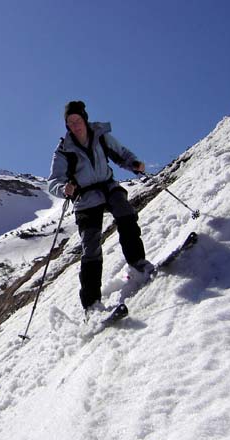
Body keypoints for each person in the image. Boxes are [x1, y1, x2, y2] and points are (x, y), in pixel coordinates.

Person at [48, 100, 153, 316]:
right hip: (85, 198)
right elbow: (53, 181)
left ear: (84, 119)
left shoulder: (100, 135)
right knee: (91, 245)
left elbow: (120, 153)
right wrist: (63, 188)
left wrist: (134, 163)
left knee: (125, 213)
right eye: (70, 122)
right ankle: (91, 305)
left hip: (107, 187)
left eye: (77, 120)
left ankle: (138, 263)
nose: (74, 125)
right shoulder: (63, 150)